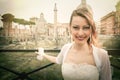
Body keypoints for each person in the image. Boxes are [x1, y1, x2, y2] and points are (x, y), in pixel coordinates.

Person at [36, 7, 112, 80]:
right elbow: (57, 60)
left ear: (91, 29)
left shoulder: (102, 55)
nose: (80, 33)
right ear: (70, 28)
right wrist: (43, 54)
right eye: (76, 27)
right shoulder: (65, 48)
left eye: (86, 28)